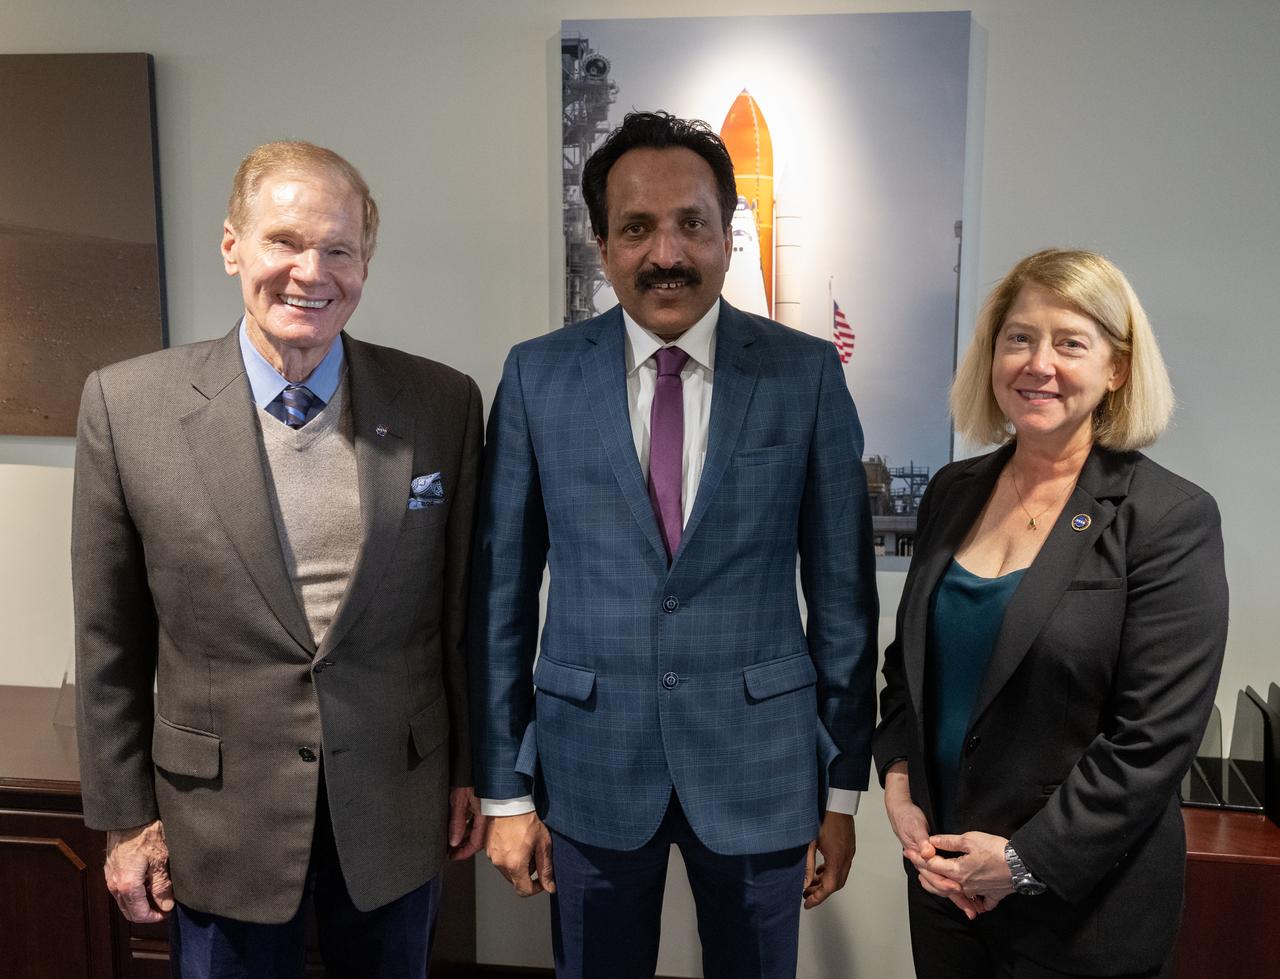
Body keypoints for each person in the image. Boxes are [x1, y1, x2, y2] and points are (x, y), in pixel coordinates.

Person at [470, 110, 878, 979]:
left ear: (728, 233)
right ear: (602, 243)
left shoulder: (804, 374)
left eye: (692, 222)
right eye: (638, 227)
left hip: (762, 768)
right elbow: (500, 596)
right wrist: (506, 788)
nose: (667, 252)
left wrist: (840, 790)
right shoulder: (536, 376)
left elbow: (844, 600)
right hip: (588, 766)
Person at [72, 140, 486, 978]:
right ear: (233, 247)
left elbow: (462, 615)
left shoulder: (441, 402)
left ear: (365, 261)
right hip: (219, 821)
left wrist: (475, 770)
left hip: (394, 807)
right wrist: (124, 823)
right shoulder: (127, 405)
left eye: (339, 248)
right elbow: (109, 640)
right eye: (285, 242)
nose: (311, 271)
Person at [873, 248, 1229, 978]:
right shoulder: (951, 490)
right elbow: (909, 668)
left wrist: (1020, 862)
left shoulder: (1168, 517)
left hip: (1082, 911)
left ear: (1117, 368)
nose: (1038, 363)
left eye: (1070, 342)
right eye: (1019, 337)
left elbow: (1152, 740)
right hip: (945, 887)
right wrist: (900, 780)